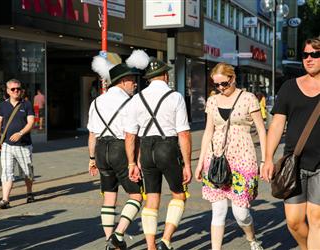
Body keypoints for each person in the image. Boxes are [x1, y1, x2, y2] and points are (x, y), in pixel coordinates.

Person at [194, 63, 266, 250]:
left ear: (232, 78)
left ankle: (252, 239)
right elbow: (208, 132)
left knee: (241, 212)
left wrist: (265, 159)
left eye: (224, 84)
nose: (220, 88)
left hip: (243, 157)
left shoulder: (249, 98)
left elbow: (261, 130)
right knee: (218, 211)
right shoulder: (212, 101)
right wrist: (201, 162)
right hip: (215, 157)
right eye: (216, 85)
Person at [125, 57, 192, 250]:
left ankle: (151, 246)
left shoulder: (137, 99)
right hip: (168, 147)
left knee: (151, 198)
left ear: (149, 78)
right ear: (164, 75)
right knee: (179, 195)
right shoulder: (175, 97)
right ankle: (166, 240)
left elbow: (130, 136)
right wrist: (187, 164)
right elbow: (184, 133)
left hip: (146, 149)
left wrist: (132, 163)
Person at [261, 37, 320, 250]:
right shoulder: (289, 87)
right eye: (305, 55)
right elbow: (276, 125)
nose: (309, 59)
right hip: (293, 165)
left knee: (316, 218)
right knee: (294, 222)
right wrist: (268, 158)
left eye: (315, 54)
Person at [87, 62, 143, 250]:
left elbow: (92, 134)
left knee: (109, 197)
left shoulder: (96, 101)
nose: (135, 84)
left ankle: (109, 240)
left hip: (101, 149)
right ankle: (118, 235)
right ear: (123, 81)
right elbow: (132, 135)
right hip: (121, 149)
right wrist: (134, 161)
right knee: (136, 195)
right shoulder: (131, 102)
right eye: (133, 80)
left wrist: (92, 159)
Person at [0, 79, 35, 209]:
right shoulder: (3, 105)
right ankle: (5, 200)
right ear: (8, 91)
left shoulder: (27, 104)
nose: (16, 91)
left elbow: (31, 122)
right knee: (6, 172)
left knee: (27, 172)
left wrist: (20, 133)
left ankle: (29, 192)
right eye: (13, 89)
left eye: (18, 89)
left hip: (23, 145)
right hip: (7, 145)